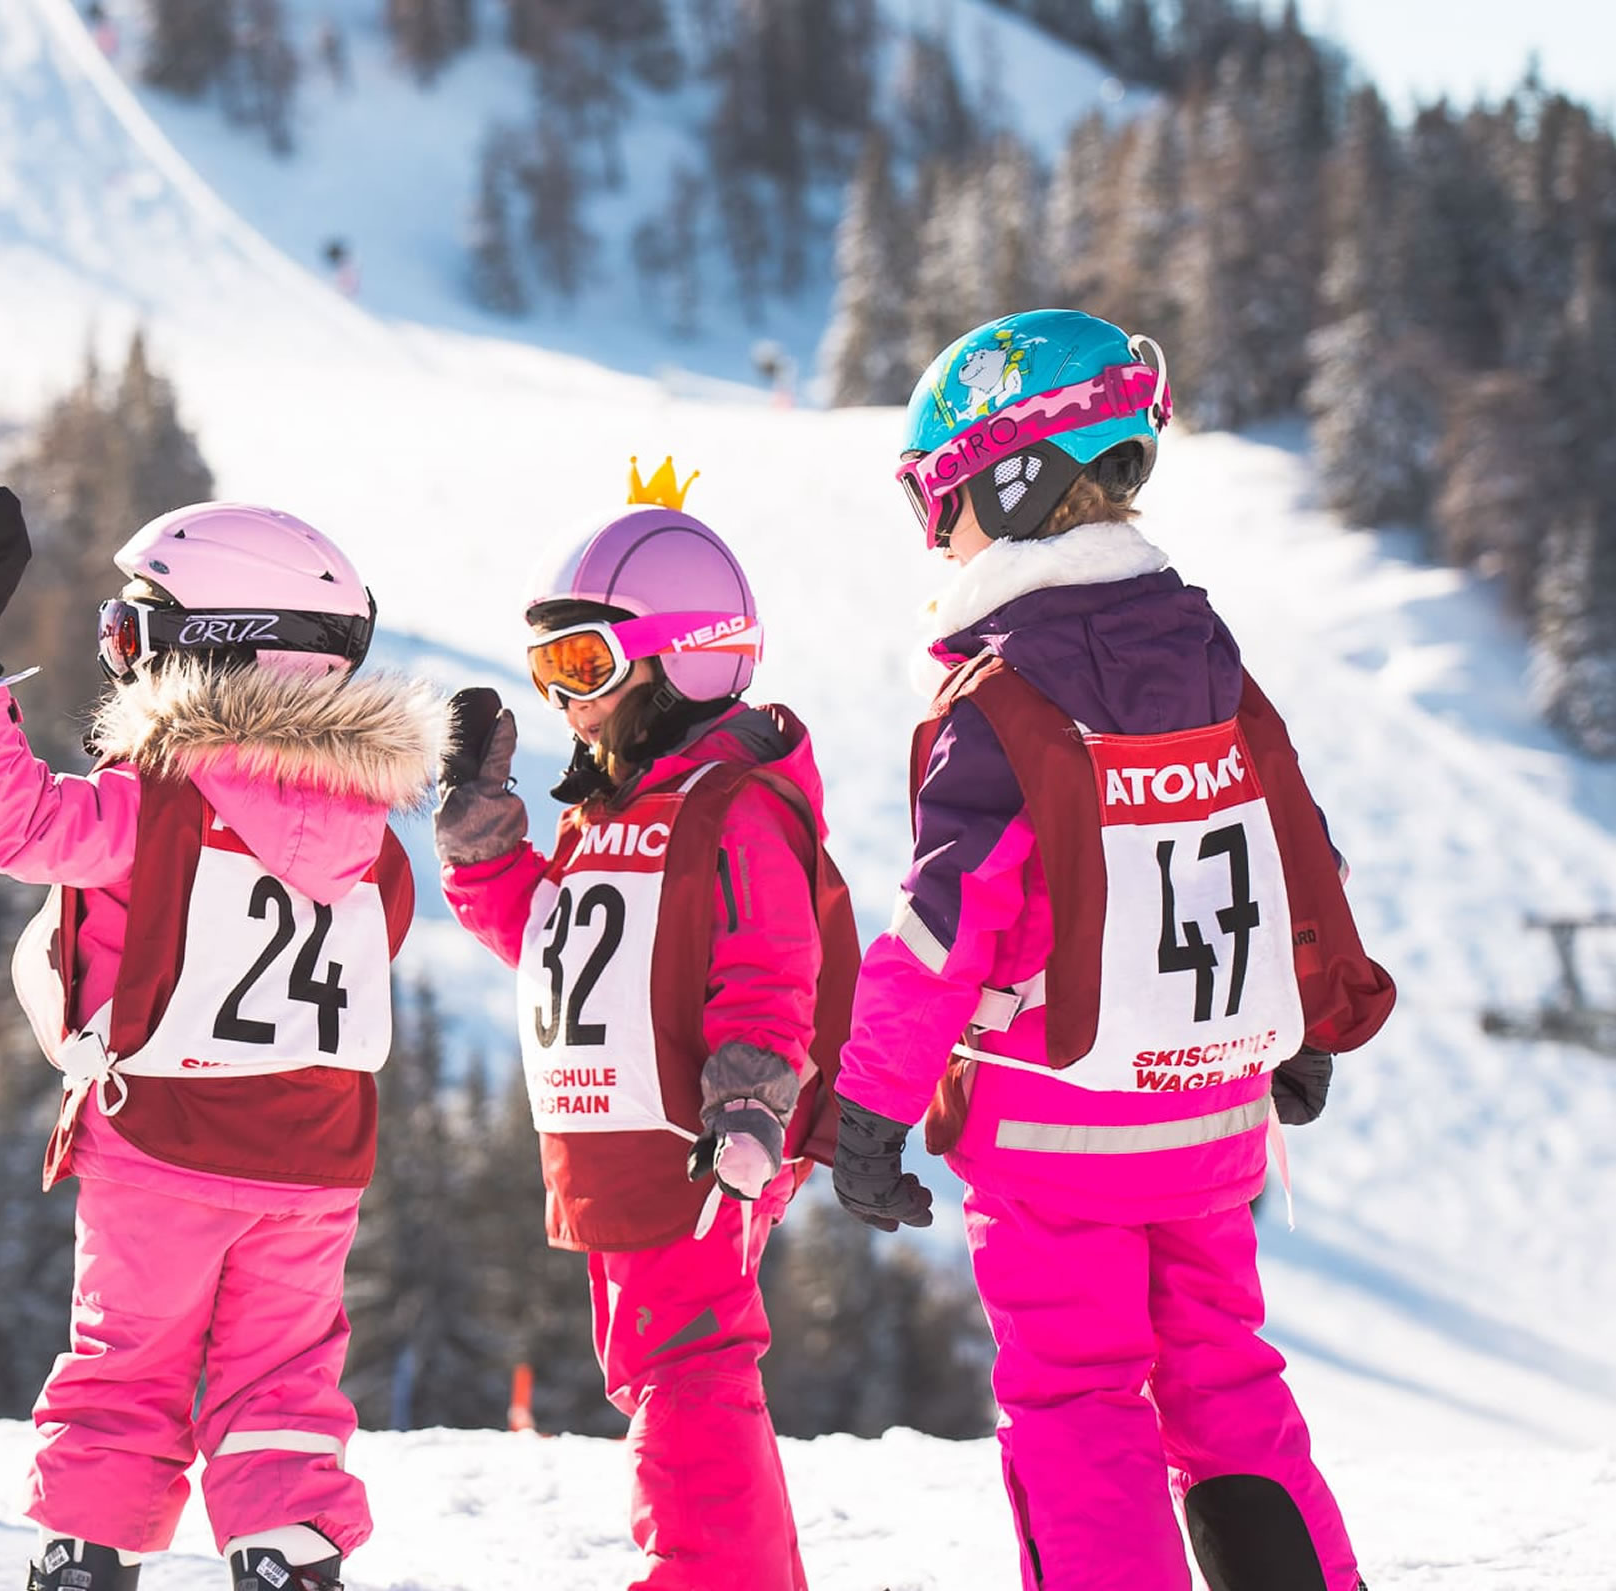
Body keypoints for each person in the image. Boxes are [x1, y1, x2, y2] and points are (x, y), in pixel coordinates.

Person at [834, 310, 1396, 1591]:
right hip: (1206, 1121)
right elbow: (1290, 841)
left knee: (1080, 1403)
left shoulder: (1001, 694)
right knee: (1227, 1386)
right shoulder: (1200, 652)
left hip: (1054, 1137)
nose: (937, 536)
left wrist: (867, 1107)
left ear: (1009, 480)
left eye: (942, 502)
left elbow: (942, 930)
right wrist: (1301, 1015)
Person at [0, 500, 439, 1591]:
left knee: (129, 1367)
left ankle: (88, 1557)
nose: (118, 656)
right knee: (283, 1377)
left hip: (160, 1145)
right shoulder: (373, 837)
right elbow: (370, 944)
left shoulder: (147, 807)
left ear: (207, 646)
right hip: (312, 1163)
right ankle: (289, 1549)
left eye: (129, 632)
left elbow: (13, 824)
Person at [431, 459, 855, 1591]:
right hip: (621, 1138)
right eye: (547, 666)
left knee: (690, 1365)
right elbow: (561, 943)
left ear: (685, 654)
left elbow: (772, 968)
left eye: (586, 662)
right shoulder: (619, 808)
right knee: (659, 1366)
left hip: (697, 1143)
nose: (566, 696)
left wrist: (752, 1111)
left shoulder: (731, 809)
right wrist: (484, 849)